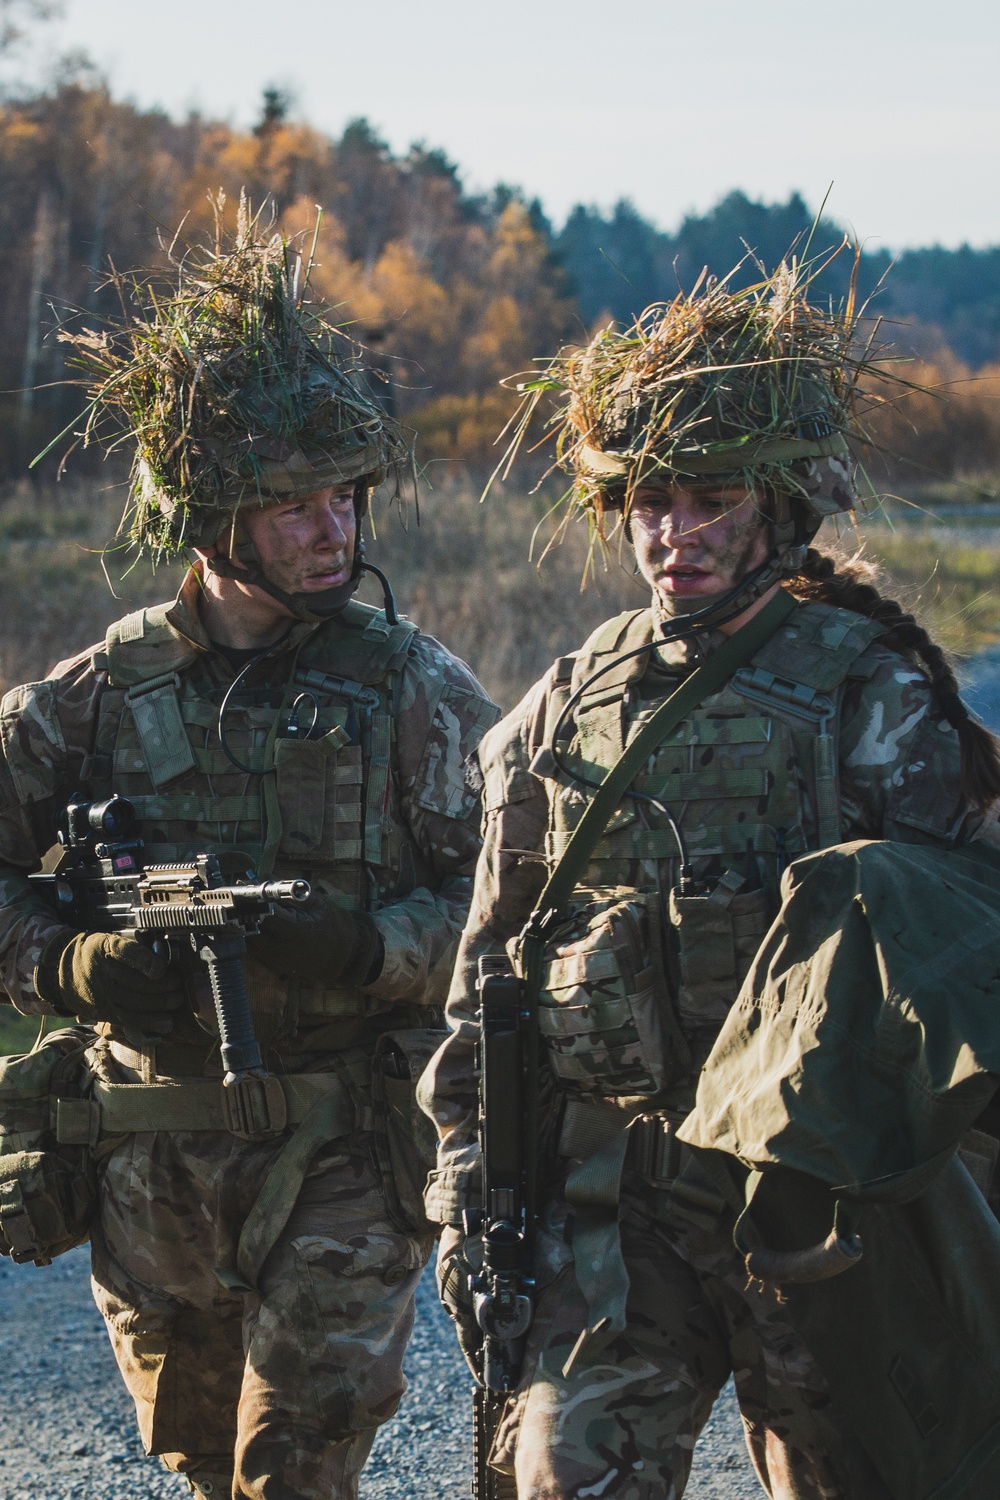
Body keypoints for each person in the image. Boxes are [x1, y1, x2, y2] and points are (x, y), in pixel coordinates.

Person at [420, 262, 1000, 1498]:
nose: (671, 534)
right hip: (616, 1199)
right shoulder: (568, 701)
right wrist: (467, 1181)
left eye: (710, 500)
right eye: (646, 502)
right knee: (561, 1479)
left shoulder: (869, 689)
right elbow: (492, 966)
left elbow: (961, 967)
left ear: (780, 508)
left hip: (819, 1208)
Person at [0, 219, 498, 1499]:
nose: (332, 531)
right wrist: (71, 963)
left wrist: (369, 948)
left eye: (345, 500)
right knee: (202, 1467)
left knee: (297, 1470)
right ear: (213, 517)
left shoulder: (412, 689)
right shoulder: (96, 696)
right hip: (148, 1155)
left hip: (343, 1144)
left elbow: (510, 907)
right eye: (292, 507)